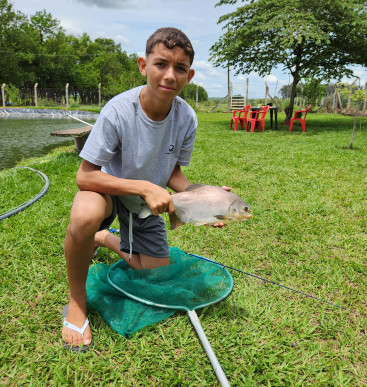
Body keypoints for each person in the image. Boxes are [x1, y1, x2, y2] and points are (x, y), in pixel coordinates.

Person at [62, 27, 225, 352]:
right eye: (161, 64)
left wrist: (200, 197)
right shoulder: (118, 110)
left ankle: (104, 239)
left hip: (144, 204)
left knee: (153, 276)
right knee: (85, 214)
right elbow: (85, 176)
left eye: (179, 68)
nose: (170, 75)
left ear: (189, 75)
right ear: (143, 65)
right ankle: (76, 302)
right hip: (107, 190)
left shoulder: (187, 118)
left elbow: (173, 172)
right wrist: (142, 186)